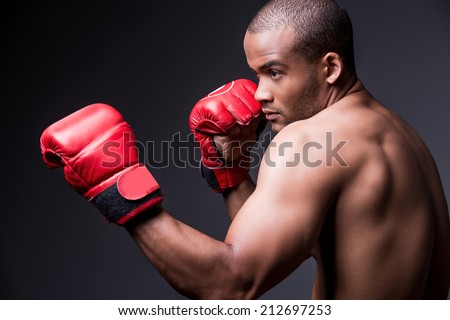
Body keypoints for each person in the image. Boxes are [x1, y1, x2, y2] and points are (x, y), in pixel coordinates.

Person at [40, 0, 450, 299]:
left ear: (330, 68)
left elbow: (231, 285)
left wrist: (119, 189)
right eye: (256, 74)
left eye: (274, 72)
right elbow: (304, 246)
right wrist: (231, 172)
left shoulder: (310, 139)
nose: (260, 93)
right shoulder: (403, 138)